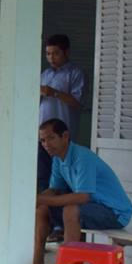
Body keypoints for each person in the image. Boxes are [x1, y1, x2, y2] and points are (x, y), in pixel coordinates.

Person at [33, 118, 132, 264]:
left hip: (114, 213)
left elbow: (83, 197)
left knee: (70, 209)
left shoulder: (82, 157)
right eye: (43, 140)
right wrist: (33, 199)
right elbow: (54, 189)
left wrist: (41, 199)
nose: (46, 144)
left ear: (65, 136)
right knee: (42, 209)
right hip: (91, 209)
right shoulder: (58, 159)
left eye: (51, 138)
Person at [37, 34, 84, 192]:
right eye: (48, 53)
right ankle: (44, 212)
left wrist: (54, 93)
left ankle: (60, 213)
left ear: (67, 52)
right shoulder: (45, 74)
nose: (51, 58)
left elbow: (77, 102)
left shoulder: (75, 73)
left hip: (62, 135)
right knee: (43, 176)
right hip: (43, 135)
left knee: (63, 178)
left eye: (56, 53)